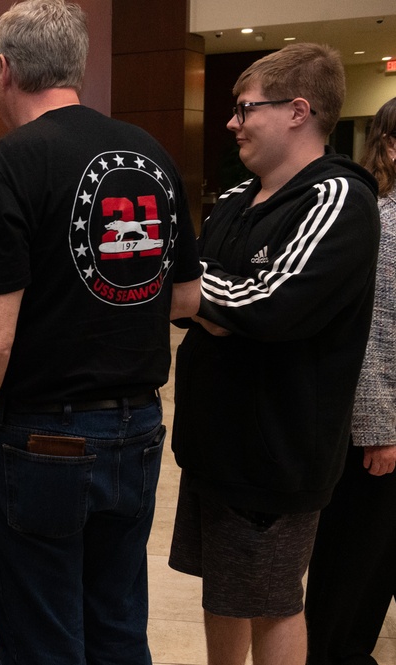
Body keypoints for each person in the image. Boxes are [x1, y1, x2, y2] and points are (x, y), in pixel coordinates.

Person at [0, 1, 202, 661]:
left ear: (3, 70)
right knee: (117, 626)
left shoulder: (4, 164)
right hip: (139, 429)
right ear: (77, 68)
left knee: (42, 639)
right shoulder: (150, 154)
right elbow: (184, 296)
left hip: (40, 440)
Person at [167, 44, 380, 665]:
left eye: (244, 109)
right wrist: (215, 306)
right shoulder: (240, 196)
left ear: (297, 111)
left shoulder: (338, 198)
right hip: (217, 445)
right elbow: (208, 288)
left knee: (273, 602)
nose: (232, 122)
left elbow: (269, 305)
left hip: (277, 454)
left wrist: (206, 303)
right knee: (225, 592)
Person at [305, 96, 396, 664]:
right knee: (354, 563)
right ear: (389, 145)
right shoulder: (382, 221)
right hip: (377, 434)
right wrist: (379, 428)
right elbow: (373, 333)